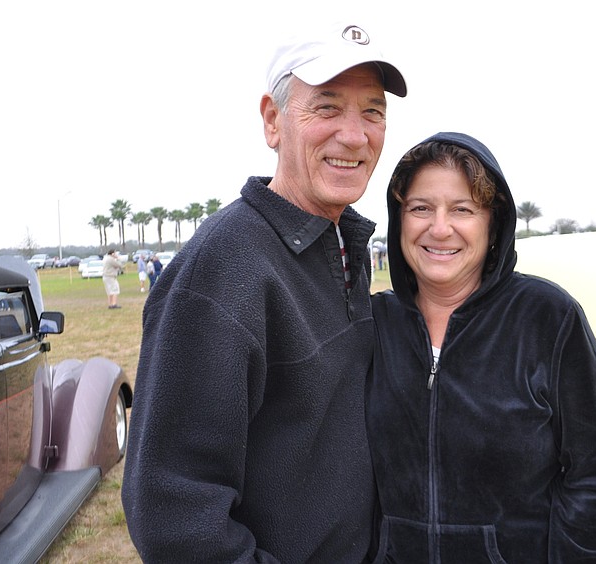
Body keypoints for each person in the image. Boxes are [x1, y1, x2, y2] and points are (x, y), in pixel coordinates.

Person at [121, 21, 407, 563]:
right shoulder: (223, 269)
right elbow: (174, 518)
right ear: (273, 121)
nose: (355, 135)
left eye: (373, 111)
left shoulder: (341, 245)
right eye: (327, 107)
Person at [366, 132, 596, 562]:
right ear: (399, 221)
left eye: (462, 209)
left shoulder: (548, 317)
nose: (439, 228)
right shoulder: (374, 322)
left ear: (493, 224)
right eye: (420, 208)